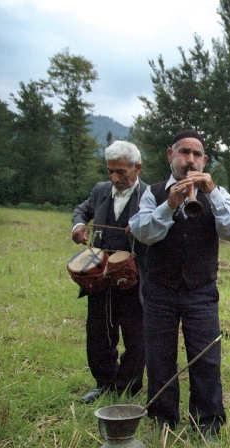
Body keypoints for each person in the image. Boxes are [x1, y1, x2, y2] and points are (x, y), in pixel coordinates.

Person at [129, 129, 230, 443]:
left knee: (206, 357)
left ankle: (207, 423)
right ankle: (162, 420)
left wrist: (213, 192)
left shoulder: (217, 194)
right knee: (159, 356)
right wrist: (169, 204)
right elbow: (142, 232)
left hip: (201, 290)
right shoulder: (152, 193)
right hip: (159, 290)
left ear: (204, 161)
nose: (189, 160)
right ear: (171, 155)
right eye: (183, 152)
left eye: (196, 155)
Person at [71, 140, 148, 403]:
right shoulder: (100, 191)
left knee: (137, 336)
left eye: (121, 172)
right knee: (98, 332)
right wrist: (79, 224)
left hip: (135, 279)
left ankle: (127, 387)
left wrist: (143, 226)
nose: (114, 178)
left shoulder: (150, 195)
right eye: (110, 171)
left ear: (137, 168)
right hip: (99, 277)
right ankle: (103, 383)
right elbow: (82, 210)